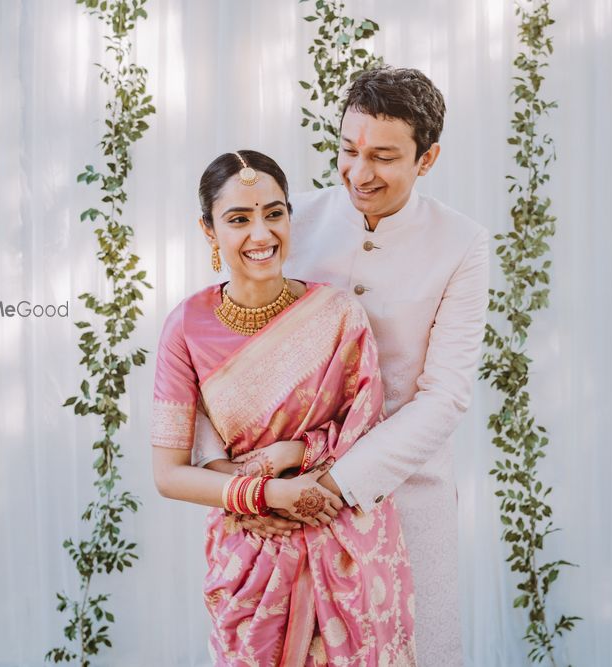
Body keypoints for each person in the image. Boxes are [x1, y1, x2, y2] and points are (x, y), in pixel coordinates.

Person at [194, 67, 489, 665]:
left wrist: (332, 484)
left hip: (404, 493)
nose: (359, 172)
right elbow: (219, 346)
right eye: (347, 151)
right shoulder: (284, 218)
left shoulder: (463, 243)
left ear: (426, 159)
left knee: (417, 651)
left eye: (382, 156)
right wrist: (243, 484)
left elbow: (446, 394)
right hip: (277, 494)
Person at [151, 150, 416, 666]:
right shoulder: (186, 327)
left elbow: (366, 432)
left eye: (274, 213)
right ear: (208, 230)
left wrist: (296, 453)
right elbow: (168, 474)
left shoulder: (338, 314)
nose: (261, 234)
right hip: (251, 548)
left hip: (346, 541)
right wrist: (265, 495)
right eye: (238, 219)